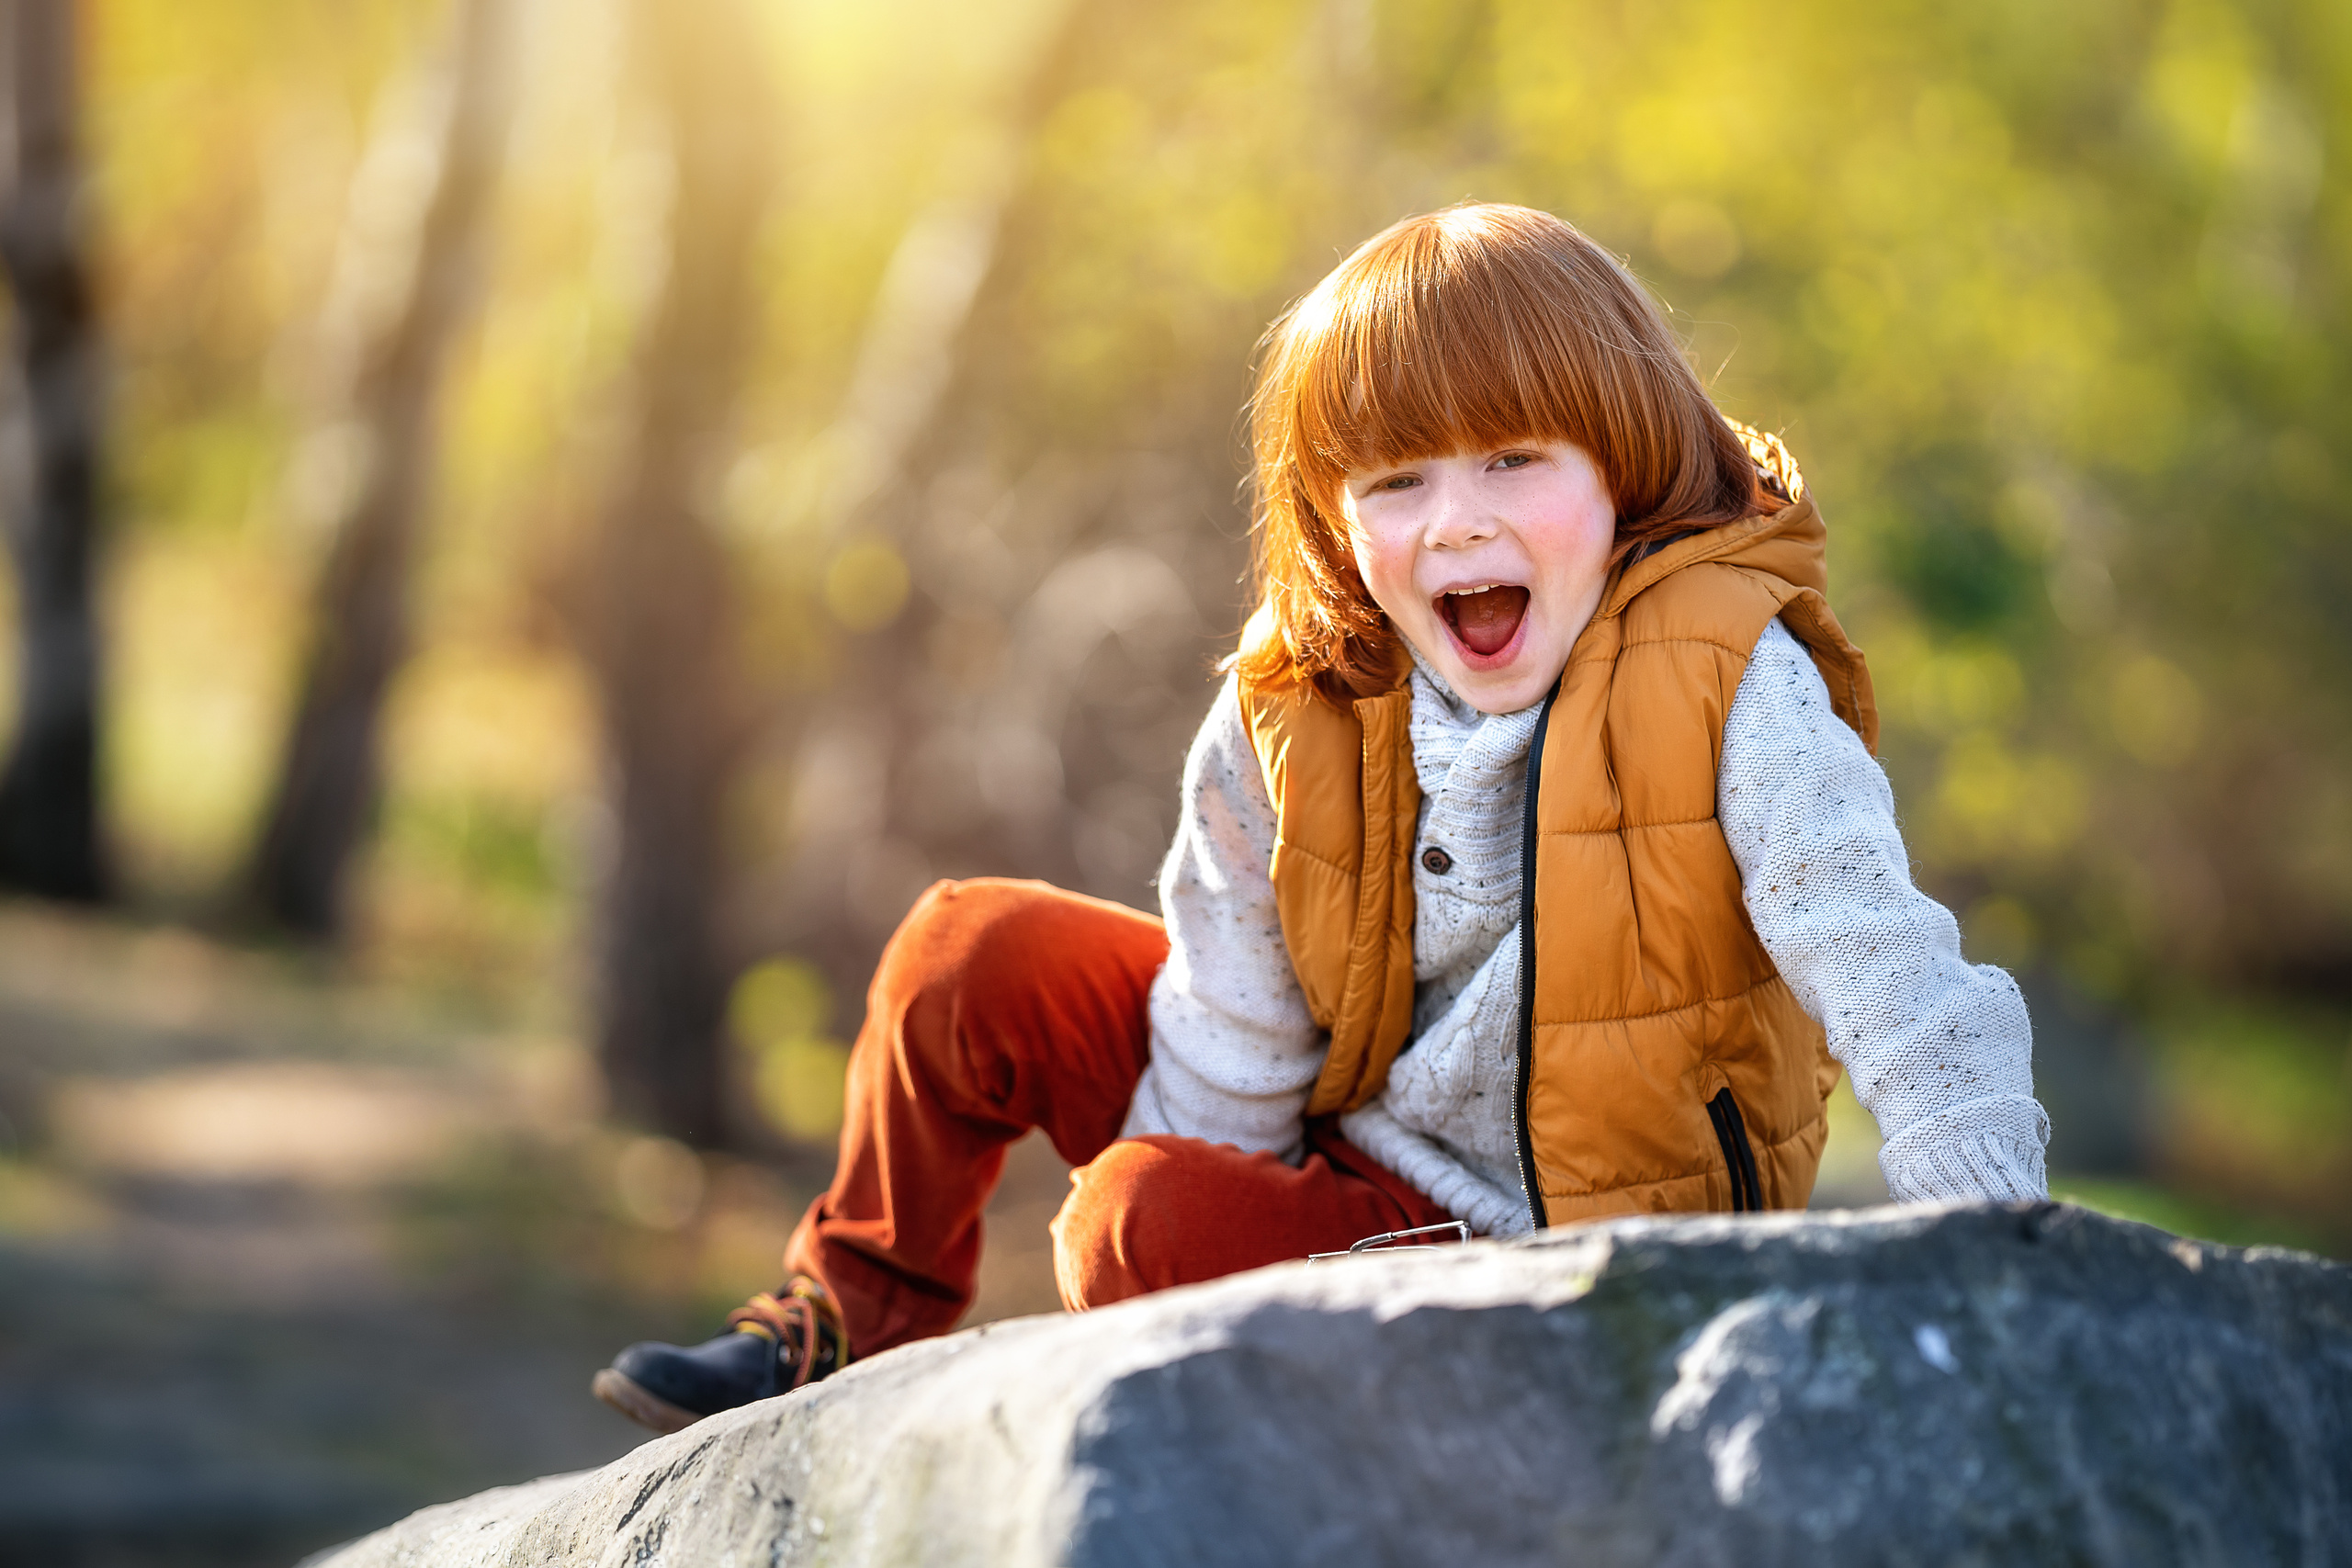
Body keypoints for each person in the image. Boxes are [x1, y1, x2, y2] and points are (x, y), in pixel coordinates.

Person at [592, 202, 2051, 1435]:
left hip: (1551, 1253)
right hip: (1331, 1140)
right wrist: (1209, 1193)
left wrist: (2005, 1267)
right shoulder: (1305, 702)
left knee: (1133, 1226)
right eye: (1398, 482)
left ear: (1624, 463)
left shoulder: (1729, 676)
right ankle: (846, 1321)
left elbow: (1890, 969)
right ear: (1337, 516)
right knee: (972, 952)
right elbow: (1233, 1013)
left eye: (1515, 460)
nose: (1457, 524)